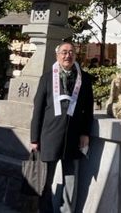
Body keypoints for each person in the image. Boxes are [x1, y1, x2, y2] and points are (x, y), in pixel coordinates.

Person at [30, 41, 94, 213]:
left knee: (71, 180)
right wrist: (34, 138)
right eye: (64, 52)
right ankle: (45, 210)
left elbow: (88, 109)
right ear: (57, 55)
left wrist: (85, 133)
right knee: (45, 180)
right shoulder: (47, 77)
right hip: (49, 136)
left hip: (73, 137)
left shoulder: (84, 79)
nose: (68, 55)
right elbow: (38, 108)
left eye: (71, 52)